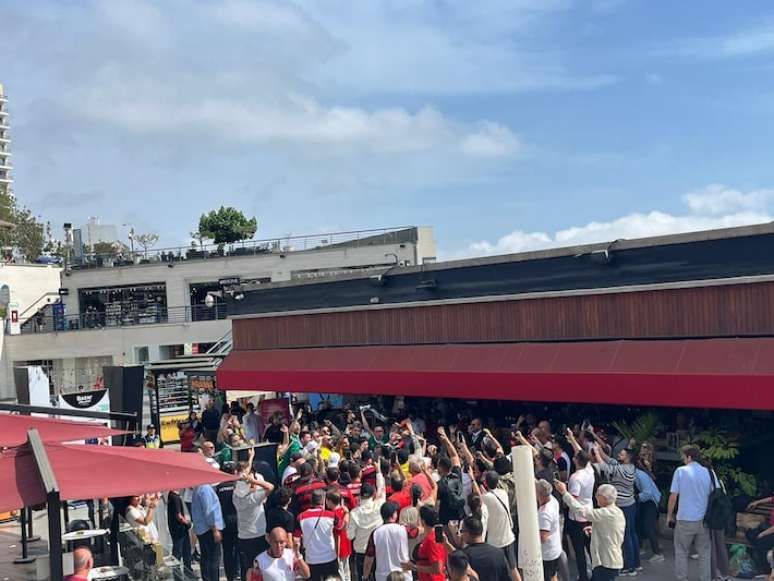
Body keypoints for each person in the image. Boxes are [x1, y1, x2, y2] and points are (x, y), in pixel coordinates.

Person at [554, 480, 626, 581]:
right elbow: (611, 530)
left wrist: (564, 492)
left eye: (598, 494)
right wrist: (595, 529)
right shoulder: (617, 512)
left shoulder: (606, 513)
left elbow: (581, 511)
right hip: (609, 561)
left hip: (606, 563)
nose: (595, 497)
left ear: (604, 498)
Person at [667, 445, 713, 581]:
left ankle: (682, 578)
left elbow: (673, 496)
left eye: (683, 456)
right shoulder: (708, 472)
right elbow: (713, 494)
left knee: (681, 551)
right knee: (704, 552)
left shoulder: (681, 471)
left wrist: (669, 515)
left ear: (689, 457)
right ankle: (705, 578)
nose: (682, 459)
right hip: (704, 519)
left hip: (685, 518)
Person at [592, 445, 639, 575]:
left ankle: (629, 566)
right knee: (631, 533)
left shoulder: (624, 470)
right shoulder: (629, 467)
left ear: (628, 458)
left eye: (621, 454)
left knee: (626, 536)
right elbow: (610, 460)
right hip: (630, 504)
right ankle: (636, 563)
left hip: (624, 506)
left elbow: (605, 467)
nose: (619, 455)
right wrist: (600, 450)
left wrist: (596, 453)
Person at [234, 459, 275, 581]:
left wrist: (251, 458)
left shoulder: (235, 497)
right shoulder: (255, 497)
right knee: (261, 566)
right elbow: (270, 487)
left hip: (243, 536)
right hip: (257, 535)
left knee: (247, 567)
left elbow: (242, 486)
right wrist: (254, 481)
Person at [481, 471, 519, 580]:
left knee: (497, 571)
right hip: (508, 537)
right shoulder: (503, 493)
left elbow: (481, 500)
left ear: (486, 483)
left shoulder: (485, 497)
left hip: (494, 542)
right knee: (513, 568)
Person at [296, 488, 339, 581]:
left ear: (311, 501)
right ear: (324, 501)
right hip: (329, 558)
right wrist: (346, 512)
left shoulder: (301, 517)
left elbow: (296, 540)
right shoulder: (331, 516)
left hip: (311, 560)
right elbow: (341, 526)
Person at [363, 501, 412, 581]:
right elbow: (417, 531)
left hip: (382, 577)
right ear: (393, 515)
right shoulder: (404, 530)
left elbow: (369, 558)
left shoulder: (376, 533)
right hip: (404, 575)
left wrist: (365, 577)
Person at [348, 480, 386, 581]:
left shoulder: (354, 513)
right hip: (378, 551)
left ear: (360, 496)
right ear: (373, 494)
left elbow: (350, 536)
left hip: (361, 552)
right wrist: (378, 473)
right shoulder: (380, 506)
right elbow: (382, 489)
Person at [460, 517, 513, 581]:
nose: (461, 535)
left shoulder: (464, 556)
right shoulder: (498, 554)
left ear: (467, 533)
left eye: (462, 531)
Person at [191, 483, 224, 581]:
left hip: (202, 529)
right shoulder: (204, 488)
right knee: (213, 558)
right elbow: (209, 511)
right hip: (208, 529)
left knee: (206, 557)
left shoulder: (198, 488)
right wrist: (215, 530)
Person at [634, 461, 664, 563]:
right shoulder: (637, 474)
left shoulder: (640, 475)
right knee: (639, 523)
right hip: (645, 501)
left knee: (648, 526)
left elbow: (648, 493)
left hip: (651, 501)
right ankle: (640, 547)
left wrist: (636, 497)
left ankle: (657, 553)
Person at [217, 462, 242, 581]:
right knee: (239, 550)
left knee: (227, 551)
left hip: (225, 523)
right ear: (234, 472)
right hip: (238, 522)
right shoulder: (237, 485)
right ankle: (238, 572)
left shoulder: (219, 488)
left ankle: (230, 576)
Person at [411, 506, 447, 581]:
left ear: (422, 521)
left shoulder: (431, 539)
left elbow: (437, 568)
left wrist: (413, 567)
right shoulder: (432, 536)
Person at [537, 480, 563, 581]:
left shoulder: (544, 514)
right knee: (553, 575)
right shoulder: (553, 500)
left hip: (547, 553)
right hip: (555, 547)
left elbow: (543, 537)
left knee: (549, 577)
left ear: (539, 494)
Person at [168, 489, 193, 572]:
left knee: (185, 550)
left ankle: (187, 570)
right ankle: (178, 573)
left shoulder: (172, 496)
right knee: (179, 552)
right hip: (179, 529)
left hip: (178, 529)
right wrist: (187, 523)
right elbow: (179, 516)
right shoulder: (175, 497)